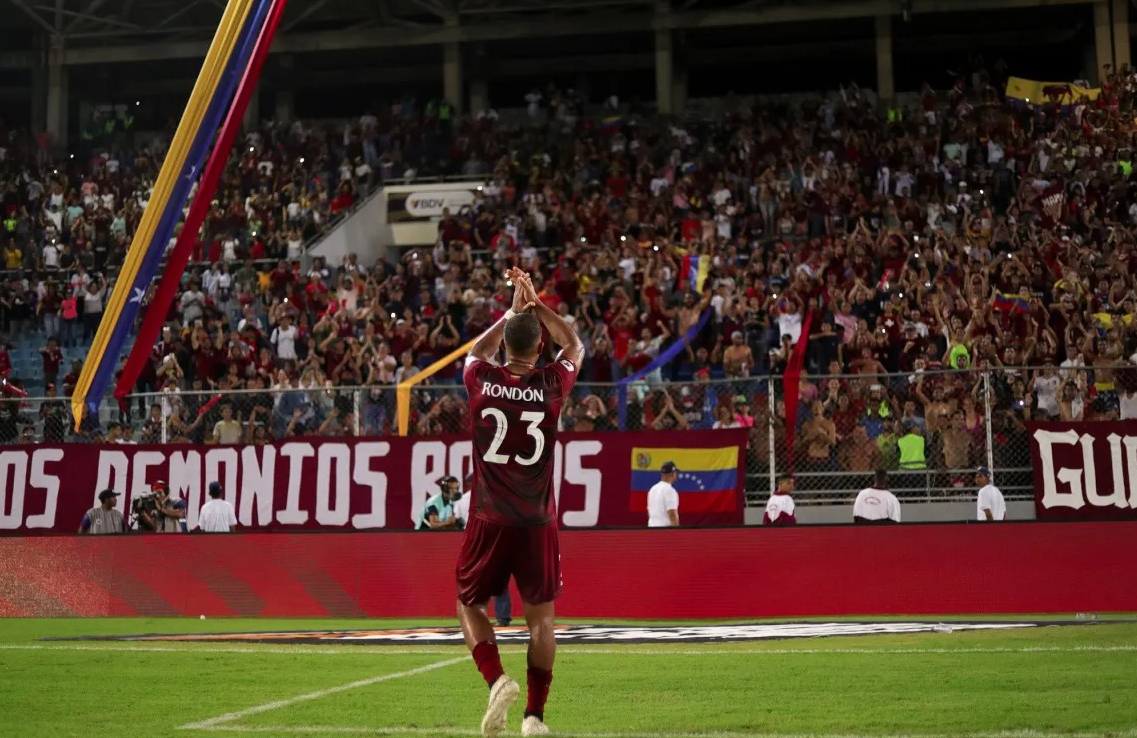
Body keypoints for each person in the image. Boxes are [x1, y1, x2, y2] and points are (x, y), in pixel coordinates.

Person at [456, 266, 584, 738]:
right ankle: (534, 717)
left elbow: (475, 351)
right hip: (536, 518)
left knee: (468, 603)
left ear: (506, 345)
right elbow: (575, 346)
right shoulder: (551, 384)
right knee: (542, 620)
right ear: (539, 348)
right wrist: (538, 308)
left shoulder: (481, 379)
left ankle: (497, 680)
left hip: (489, 515)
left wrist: (511, 311)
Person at [457, 473, 512, 626]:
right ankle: (482, 616)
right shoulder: (466, 499)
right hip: (480, 540)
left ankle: (500, 617)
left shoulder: (492, 497)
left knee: (496, 580)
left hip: (490, 540)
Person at [646, 461, 680, 527]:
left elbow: (649, 513)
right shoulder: (670, 491)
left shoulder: (652, 489)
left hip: (651, 530)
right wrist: (677, 533)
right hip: (665, 532)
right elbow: (672, 514)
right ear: (672, 474)